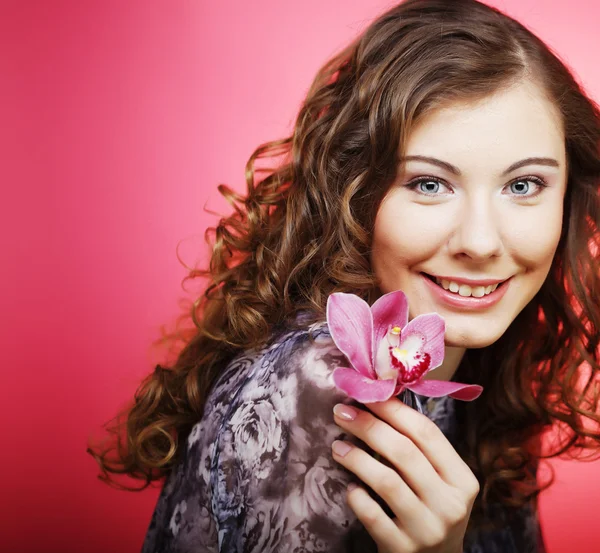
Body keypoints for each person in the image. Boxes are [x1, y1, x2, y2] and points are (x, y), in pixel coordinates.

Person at [88, 0, 600, 551]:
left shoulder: (490, 367)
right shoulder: (316, 387)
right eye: (428, 183)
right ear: (354, 194)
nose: (480, 242)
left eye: (523, 186)